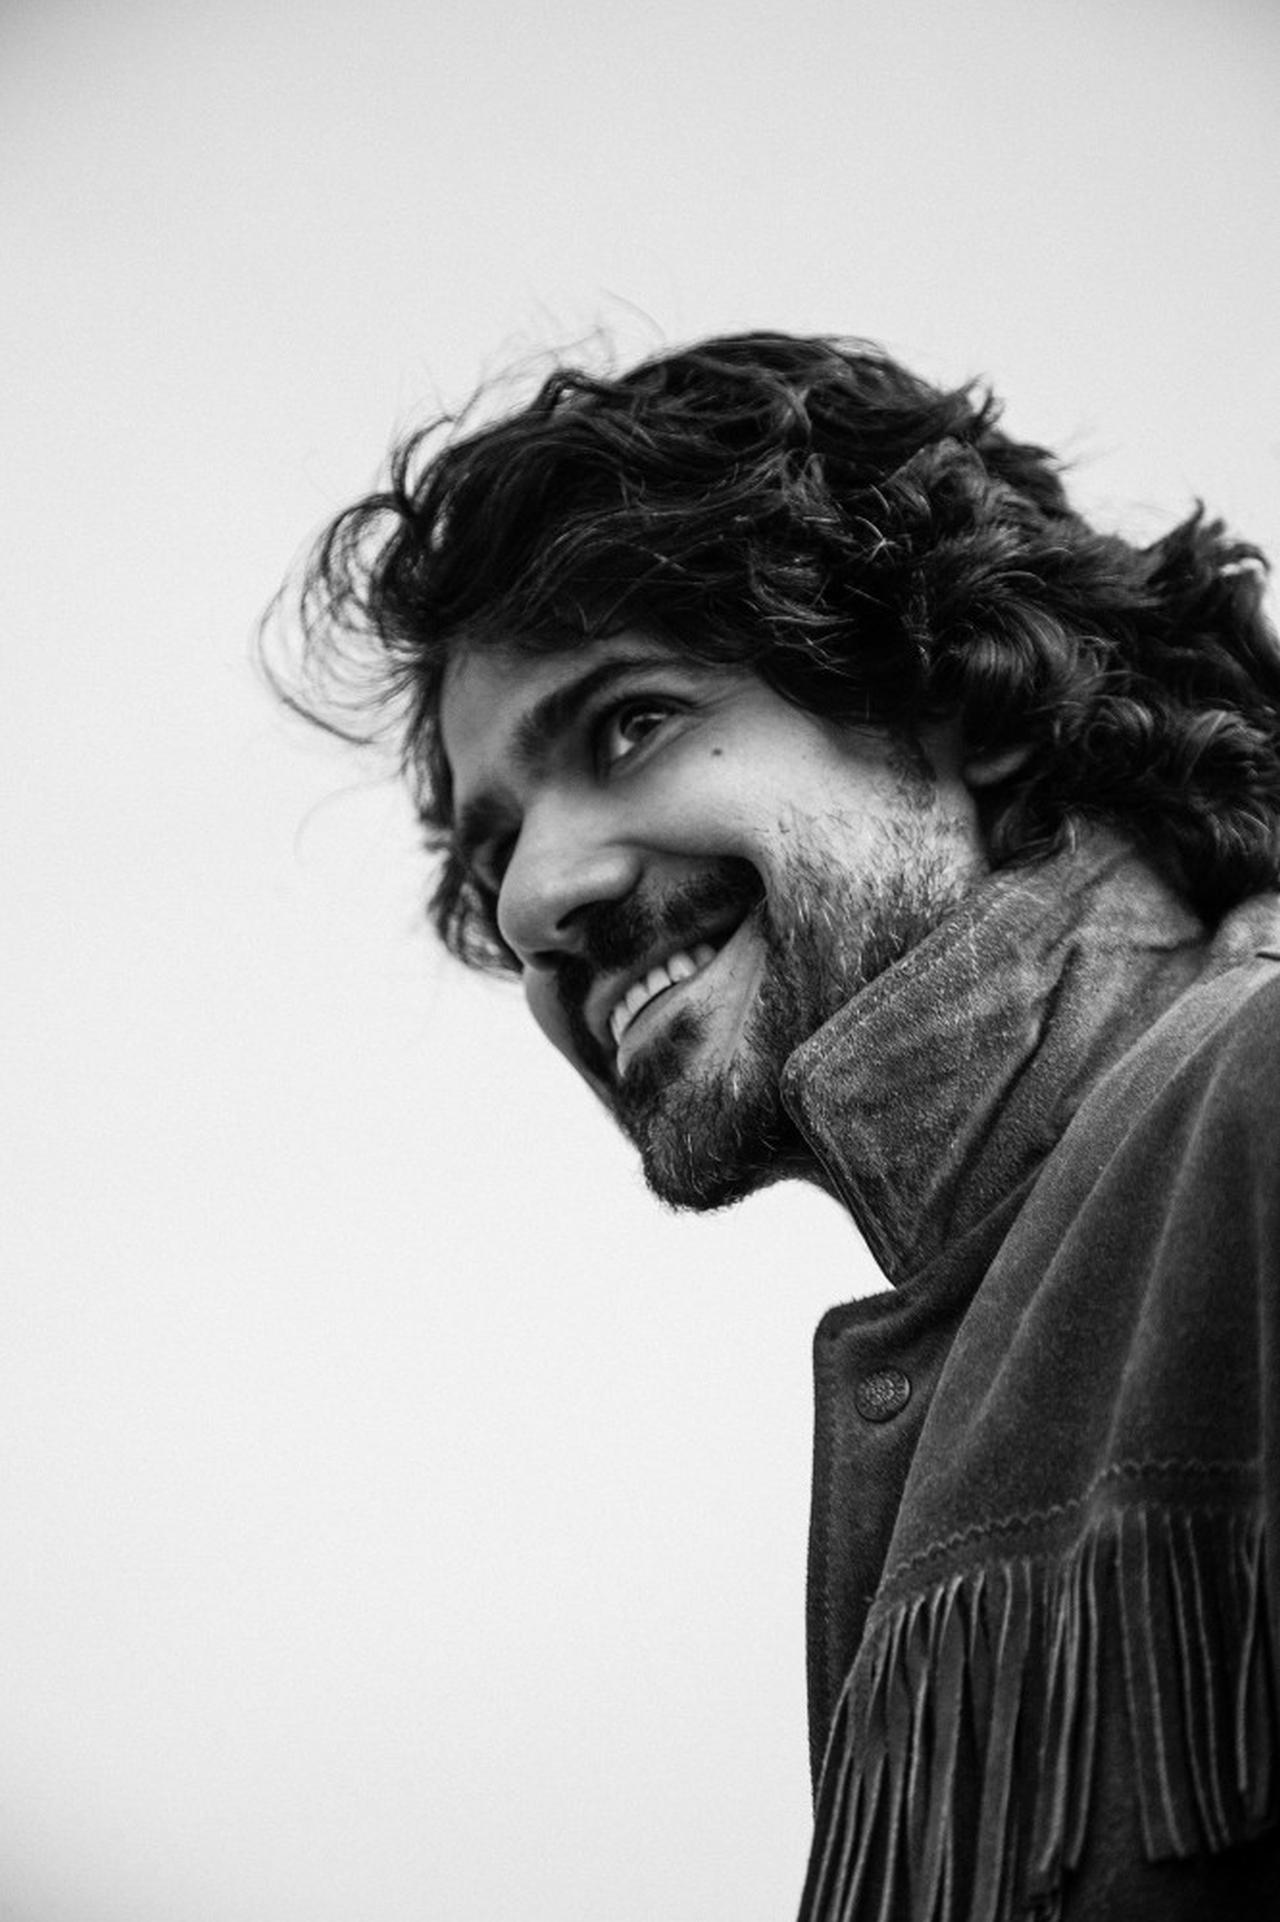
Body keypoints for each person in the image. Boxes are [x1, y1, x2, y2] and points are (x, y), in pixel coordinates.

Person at [271, 334, 1280, 1918]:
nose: (532, 905)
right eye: (491, 853)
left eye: (629, 724)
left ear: (964, 692)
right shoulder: (956, 1357)